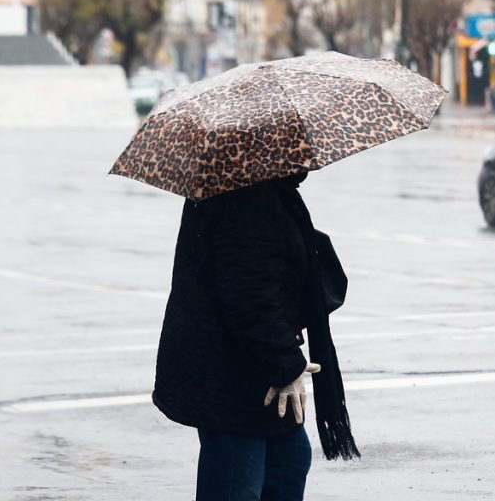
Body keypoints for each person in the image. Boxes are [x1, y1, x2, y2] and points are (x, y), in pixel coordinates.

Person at [153, 173, 359, 501]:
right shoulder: (243, 194)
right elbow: (250, 297)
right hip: (233, 377)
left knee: (289, 462)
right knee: (241, 481)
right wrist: (285, 366)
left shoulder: (264, 188)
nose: (307, 152)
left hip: (248, 366)